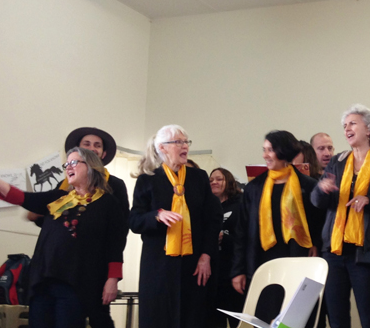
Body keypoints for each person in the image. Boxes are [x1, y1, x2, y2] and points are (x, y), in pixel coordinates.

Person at [0, 148, 125, 328]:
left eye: (74, 162)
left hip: (77, 282)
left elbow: (115, 244)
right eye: (66, 164)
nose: (68, 167)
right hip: (43, 280)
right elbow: (24, 198)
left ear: (91, 166)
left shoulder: (109, 203)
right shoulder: (60, 197)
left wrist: (112, 279)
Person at [312, 104, 370, 328]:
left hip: (366, 250)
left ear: (369, 129)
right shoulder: (338, 161)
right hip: (334, 251)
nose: (347, 129)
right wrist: (321, 189)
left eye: (352, 123)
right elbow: (317, 202)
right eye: (344, 125)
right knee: (336, 315)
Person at [130, 126, 222, 328]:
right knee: (158, 317)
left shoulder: (198, 178)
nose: (184, 146)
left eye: (186, 142)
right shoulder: (148, 179)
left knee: (193, 317)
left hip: (194, 264)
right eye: (178, 142)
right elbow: (135, 220)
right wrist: (157, 215)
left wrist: (206, 255)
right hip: (158, 267)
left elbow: (213, 219)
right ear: (162, 147)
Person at [231, 131, 320, 321]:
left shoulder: (308, 185)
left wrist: (316, 243)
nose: (265, 155)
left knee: (297, 319)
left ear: (284, 151)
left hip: (298, 261)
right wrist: (238, 270)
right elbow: (241, 231)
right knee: (265, 317)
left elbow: (318, 223)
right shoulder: (255, 188)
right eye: (264, 150)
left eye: (270, 150)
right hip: (263, 264)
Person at [210, 168, 244, 328]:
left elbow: (246, 236)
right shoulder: (207, 207)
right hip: (213, 272)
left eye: (219, 179)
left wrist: (226, 237)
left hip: (234, 270)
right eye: (211, 180)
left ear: (229, 181)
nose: (214, 183)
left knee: (238, 319)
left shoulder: (240, 204)